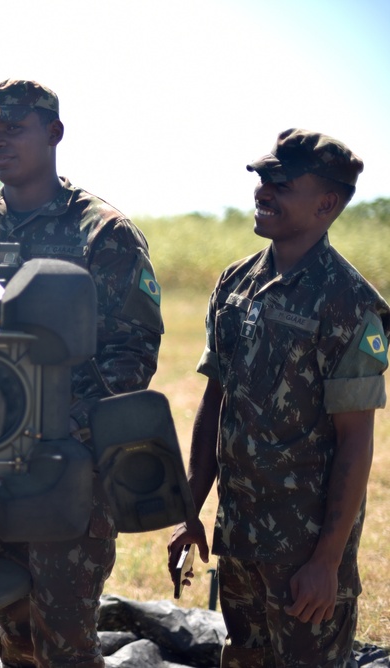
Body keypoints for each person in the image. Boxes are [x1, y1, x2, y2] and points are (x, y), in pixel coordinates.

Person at [0, 79, 163, 667]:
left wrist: (65, 430)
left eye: (13, 128)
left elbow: (133, 353)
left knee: (65, 635)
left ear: (54, 133)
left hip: (68, 471)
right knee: (14, 628)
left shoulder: (103, 233)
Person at [167, 129, 389, 667]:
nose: (263, 191)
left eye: (281, 183)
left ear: (326, 203)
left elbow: (356, 441)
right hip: (238, 532)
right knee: (243, 657)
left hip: (304, 550)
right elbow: (215, 399)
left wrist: (327, 561)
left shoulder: (350, 304)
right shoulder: (236, 282)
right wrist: (190, 506)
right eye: (262, 179)